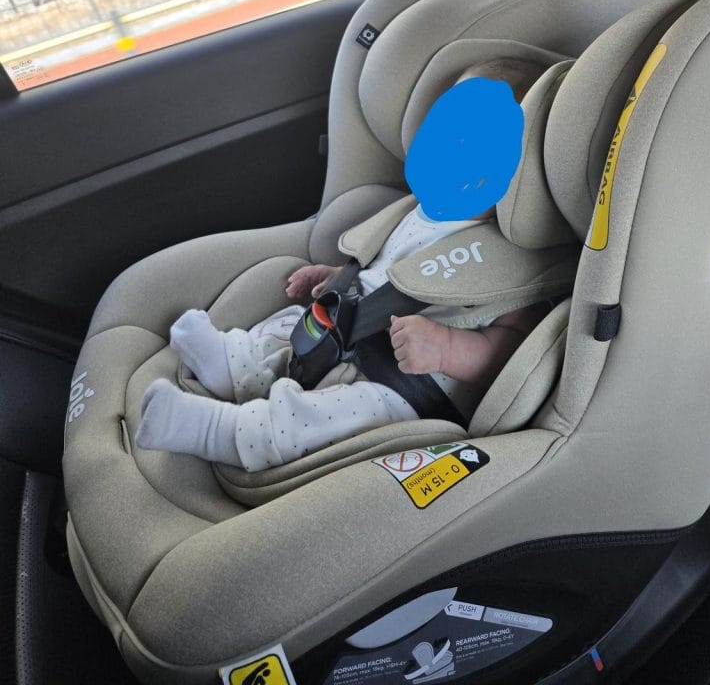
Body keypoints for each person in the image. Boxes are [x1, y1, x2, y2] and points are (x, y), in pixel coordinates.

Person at [135, 58, 550, 472]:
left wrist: (446, 348)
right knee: (292, 324)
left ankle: (224, 431)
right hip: (351, 330)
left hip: (407, 384)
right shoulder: (424, 209)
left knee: (337, 412)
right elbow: (387, 270)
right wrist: (340, 278)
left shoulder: (516, 262)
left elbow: (511, 349)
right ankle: (234, 361)